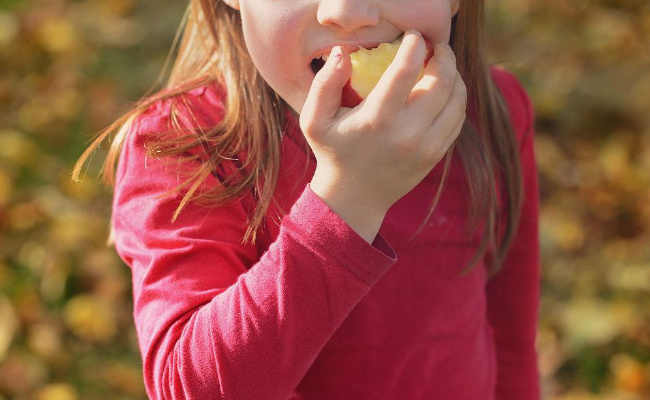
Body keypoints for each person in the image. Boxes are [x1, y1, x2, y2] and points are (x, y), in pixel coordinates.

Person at [74, 0, 541, 398]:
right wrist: (349, 198)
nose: (349, 13)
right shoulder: (185, 146)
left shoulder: (493, 113)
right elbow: (188, 387)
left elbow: (511, 340)